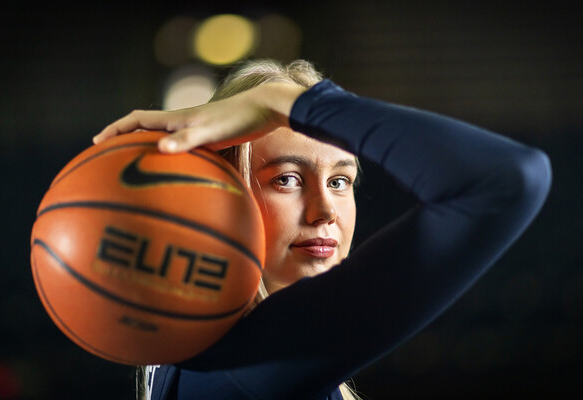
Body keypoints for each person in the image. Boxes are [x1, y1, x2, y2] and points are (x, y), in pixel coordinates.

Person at [94, 59, 552, 400]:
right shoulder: (243, 362)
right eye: (286, 179)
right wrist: (279, 103)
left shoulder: (203, 358)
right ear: (216, 200)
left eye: (339, 181)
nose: (324, 211)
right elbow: (509, 179)